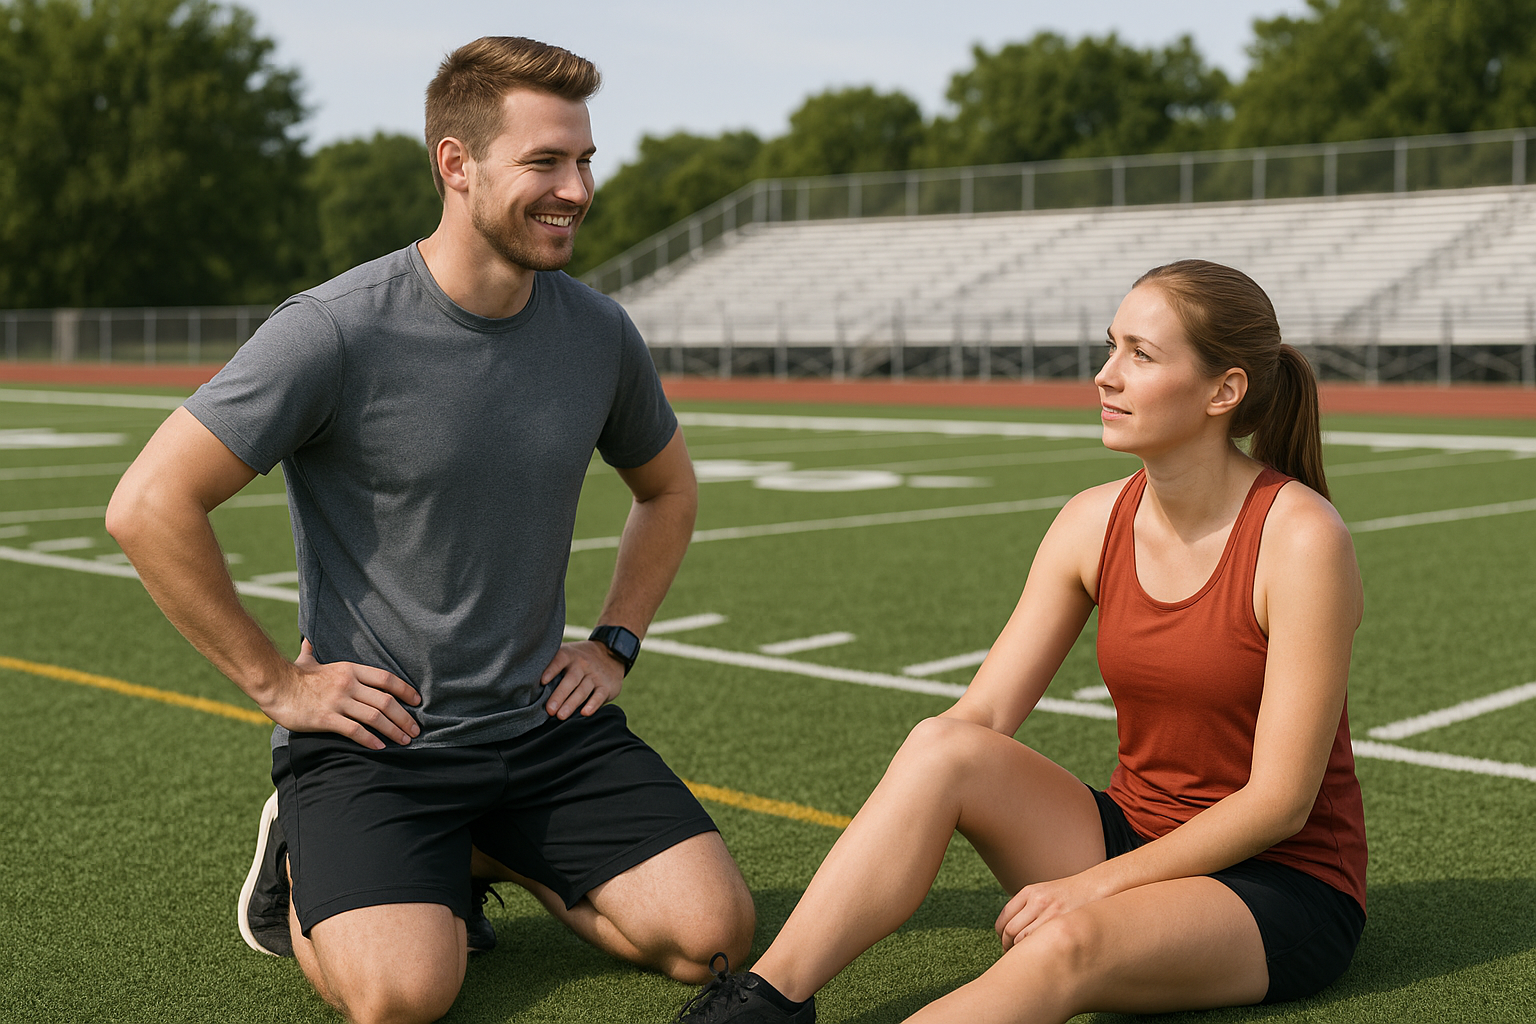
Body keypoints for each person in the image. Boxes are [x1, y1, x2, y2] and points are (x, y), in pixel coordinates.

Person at [106, 35, 754, 1024]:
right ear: (457, 163)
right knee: (406, 995)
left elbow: (668, 490)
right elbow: (148, 504)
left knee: (715, 937)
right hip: (380, 743)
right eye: (545, 161)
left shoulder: (599, 332)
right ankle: (303, 848)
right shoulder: (337, 328)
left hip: (540, 730)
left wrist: (614, 642)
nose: (577, 189)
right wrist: (278, 685)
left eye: (585, 160)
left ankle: (485, 844)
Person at [673, 259, 1367, 1024]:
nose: (1105, 375)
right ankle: (765, 1000)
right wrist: (917, 802)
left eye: (1141, 354)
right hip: (1131, 836)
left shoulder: (1301, 539)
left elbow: (1279, 803)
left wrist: (1092, 888)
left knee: (1065, 944)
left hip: (1275, 881)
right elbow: (984, 715)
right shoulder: (1091, 521)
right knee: (942, 746)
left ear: (1223, 391)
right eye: (1110, 346)